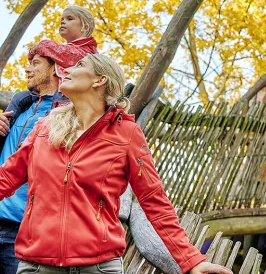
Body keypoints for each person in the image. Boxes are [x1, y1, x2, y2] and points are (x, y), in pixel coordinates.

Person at [0, 55, 231, 274]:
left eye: (79, 65)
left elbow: (154, 200)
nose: (66, 69)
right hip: (38, 264)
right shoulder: (44, 128)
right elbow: (5, 179)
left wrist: (190, 260)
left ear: (100, 80)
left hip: (99, 266)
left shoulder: (126, 134)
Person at [0, 54, 69, 274]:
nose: (28, 69)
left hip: (24, 232)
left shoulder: (67, 119)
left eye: (35, 64)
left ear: (55, 69)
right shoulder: (20, 108)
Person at [28, 5, 98, 82]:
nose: (63, 22)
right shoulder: (59, 52)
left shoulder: (87, 52)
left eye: (70, 19)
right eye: (62, 19)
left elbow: (66, 54)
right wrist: (33, 53)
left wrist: (41, 46)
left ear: (85, 27)